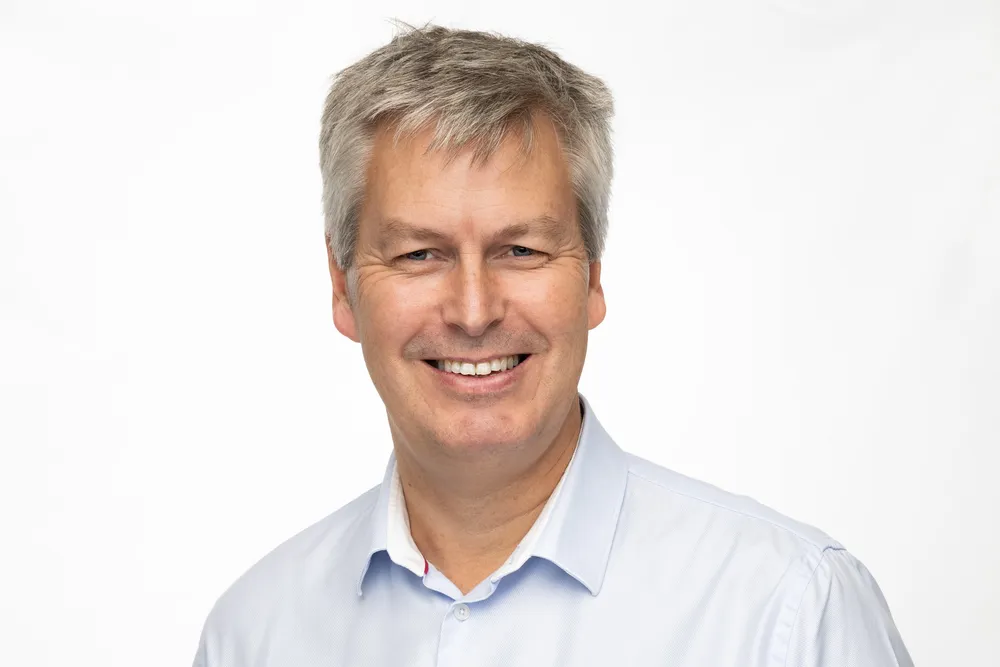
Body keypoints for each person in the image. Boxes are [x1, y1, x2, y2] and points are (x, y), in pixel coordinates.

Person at [192, 24, 912, 666]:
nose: (474, 311)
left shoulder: (787, 611)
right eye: (419, 254)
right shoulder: (253, 636)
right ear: (342, 285)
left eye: (522, 250)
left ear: (592, 275)